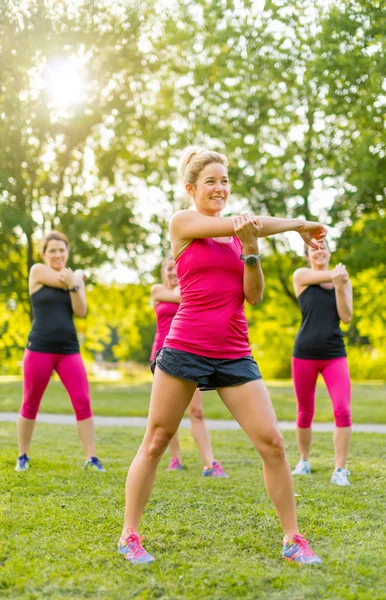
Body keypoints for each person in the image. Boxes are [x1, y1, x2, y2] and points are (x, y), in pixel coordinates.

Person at [118, 146, 327, 566]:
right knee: (157, 441)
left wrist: (250, 250)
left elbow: (254, 294)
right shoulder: (184, 223)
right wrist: (298, 224)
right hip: (185, 347)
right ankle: (129, 535)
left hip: (234, 351)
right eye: (211, 180)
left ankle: (292, 539)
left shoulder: (237, 237)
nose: (220, 187)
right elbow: (241, 222)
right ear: (191, 188)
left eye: (225, 180)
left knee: (272, 443)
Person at [15, 231, 105, 473]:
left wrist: (75, 281)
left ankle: (91, 458)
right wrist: (76, 277)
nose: (57, 254)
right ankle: (23, 455)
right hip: (39, 348)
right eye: (52, 250)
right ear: (44, 254)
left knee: (83, 402)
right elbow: (63, 281)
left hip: (68, 350)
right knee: (30, 403)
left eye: (62, 250)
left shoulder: (73, 280)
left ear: (67, 252)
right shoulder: (38, 271)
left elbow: (81, 310)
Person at [150, 256, 228, 476]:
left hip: (189, 354)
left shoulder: (190, 290)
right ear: (162, 272)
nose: (173, 273)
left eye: (176, 269)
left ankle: (210, 464)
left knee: (196, 411)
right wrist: (183, 291)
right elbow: (176, 296)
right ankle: (175, 458)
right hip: (163, 354)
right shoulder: (157, 290)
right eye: (168, 269)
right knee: (167, 414)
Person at [291, 241, 353, 485]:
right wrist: (338, 275)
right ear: (308, 255)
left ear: (329, 251)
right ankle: (304, 461)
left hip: (334, 354)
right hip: (303, 354)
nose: (319, 251)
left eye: (323, 247)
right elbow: (321, 275)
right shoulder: (302, 276)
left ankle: (339, 469)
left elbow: (346, 317)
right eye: (313, 248)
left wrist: (339, 285)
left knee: (343, 409)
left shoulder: (343, 281)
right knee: (305, 412)